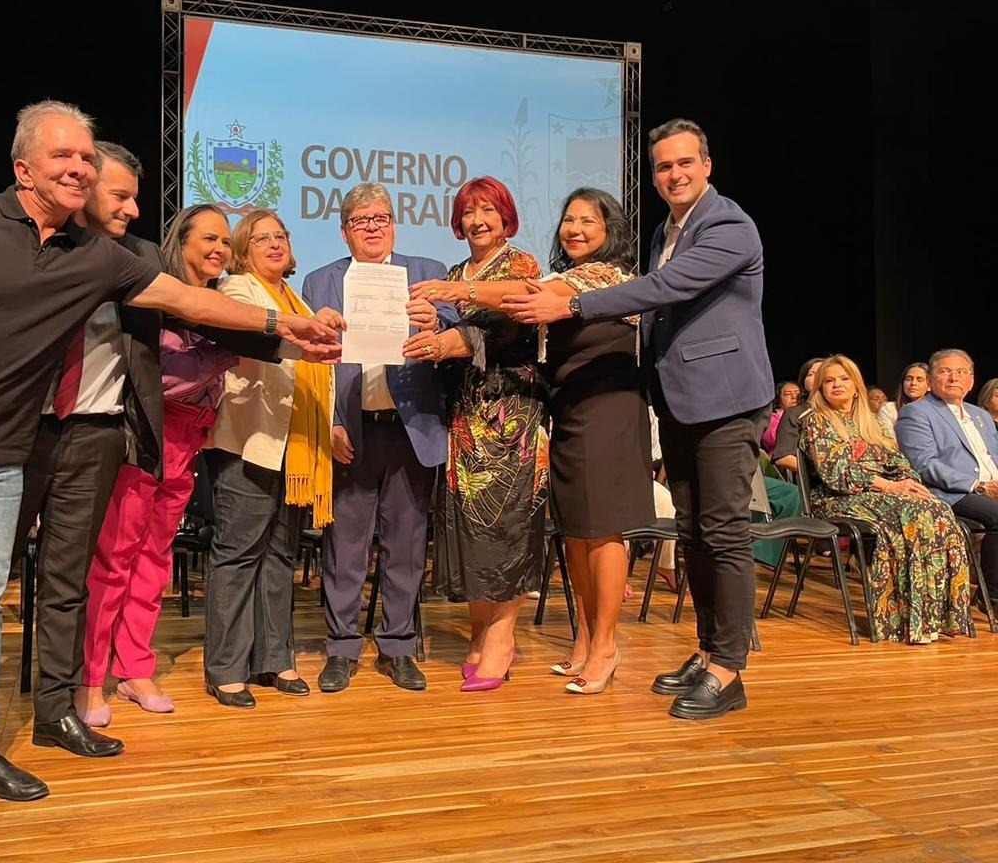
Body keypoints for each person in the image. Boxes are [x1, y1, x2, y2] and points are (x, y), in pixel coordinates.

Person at [0, 102, 338, 846]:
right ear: (23, 166)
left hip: (0, 456)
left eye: (88, 158)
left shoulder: (93, 255)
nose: (81, 168)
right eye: (64, 156)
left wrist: (282, 326)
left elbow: (186, 298)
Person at [503, 118, 774, 720]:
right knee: (696, 534)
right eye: (662, 167)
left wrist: (573, 303)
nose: (673, 174)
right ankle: (708, 653)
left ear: (707, 165)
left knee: (724, 533)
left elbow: (668, 287)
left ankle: (729, 669)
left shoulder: (728, 224)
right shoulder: (664, 230)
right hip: (679, 400)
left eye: (684, 163)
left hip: (727, 399)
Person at [80, 199, 287, 722]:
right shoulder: (157, 292)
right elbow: (162, 374)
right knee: (116, 557)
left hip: (189, 440)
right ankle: (90, 680)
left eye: (224, 241)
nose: (220, 249)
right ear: (182, 242)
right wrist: (221, 357)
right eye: (209, 239)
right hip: (146, 435)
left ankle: (135, 668)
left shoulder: (220, 300)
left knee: (155, 557)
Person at [301, 183, 456, 693]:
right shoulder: (320, 281)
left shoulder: (428, 272)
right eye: (360, 219)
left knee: (408, 546)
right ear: (344, 230)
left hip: (411, 429)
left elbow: (455, 332)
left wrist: (436, 323)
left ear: (394, 224)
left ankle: (399, 647)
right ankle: (341, 649)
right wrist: (327, 424)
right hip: (351, 429)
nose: (372, 226)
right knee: (345, 545)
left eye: (380, 217)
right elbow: (311, 362)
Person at [403, 176, 549, 692]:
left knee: (506, 526)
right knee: (468, 528)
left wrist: (454, 309)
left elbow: (514, 312)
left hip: (512, 416)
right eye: (469, 212)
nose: (477, 220)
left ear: (505, 216)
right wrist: (425, 326)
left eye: (488, 209)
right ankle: (481, 627)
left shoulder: (521, 264)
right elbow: (447, 334)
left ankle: (503, 636)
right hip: (465, 417)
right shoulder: (456, 270)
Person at [204, 210, 340, 708]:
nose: (274, 244)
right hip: (250, 439)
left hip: (295, 449)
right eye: (261, 238)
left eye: (279, 235)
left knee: (281, 553)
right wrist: (307, 331)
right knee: (239, 552)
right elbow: (269, 339)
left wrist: (319, 323)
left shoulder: (296, 296)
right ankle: (226, 668)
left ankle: (274, 657)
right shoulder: (237, 289)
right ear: (243, 250)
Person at [800, 355, 970, 643]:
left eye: (843, 379)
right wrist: (887, 486)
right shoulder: (817, 421)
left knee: (936, 508)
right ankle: (906, 619)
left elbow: (899, 462)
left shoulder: (870, 424)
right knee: (913, 514)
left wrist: (911, 483)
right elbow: (834, 473)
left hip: (879, 494)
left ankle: (938, 616)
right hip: (836, 498)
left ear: (856, 386)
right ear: (820, 389)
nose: (836, 385)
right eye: (828, 381)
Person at [895, 348, 998, 599]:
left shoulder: (980, 415)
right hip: (951, 493)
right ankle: (992, 596)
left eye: (961, 372)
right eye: (945, 372)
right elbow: (924, 464)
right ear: (930, 380)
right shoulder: (916, 412)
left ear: (971, 381)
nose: (954, 378)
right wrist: (979, 485)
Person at [771, 357, 823, 474]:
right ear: (803, 383)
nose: (818, 377)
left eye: (822, 372)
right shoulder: (795, 414)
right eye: (811, 374)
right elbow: (783, 457)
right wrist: (823, 474)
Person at [877, 362, 929, 432]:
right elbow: (887, 440)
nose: (913, 383)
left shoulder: (936, 410)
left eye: (919, 380)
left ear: (929, 386)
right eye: (909, 379)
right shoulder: (888, 409)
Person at [762, 380, 800, 456]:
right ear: (779, 400)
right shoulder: (772, 418)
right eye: (787, 394)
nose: (794, 397)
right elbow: (771, 440)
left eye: (797, 393)